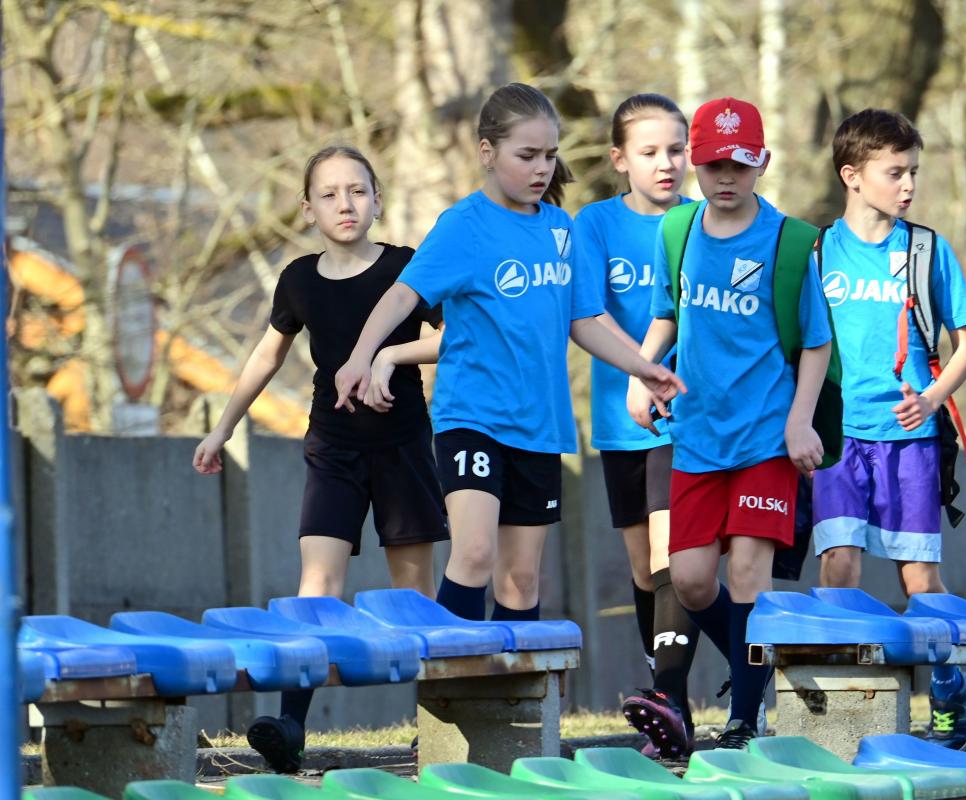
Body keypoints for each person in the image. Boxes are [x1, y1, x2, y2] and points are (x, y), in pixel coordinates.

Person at [336, 83, 685, 624]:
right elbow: (404, 294)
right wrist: (362, 355)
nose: (542, 168)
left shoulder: (560, 228)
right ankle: (451, 670)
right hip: (473, 419)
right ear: (487, 152)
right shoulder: (464, 225)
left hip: (541, 426)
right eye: (527, 155)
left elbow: (584, 320)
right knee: (475, 554)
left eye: (549, 155)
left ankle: (509, 682)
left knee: (521, 581)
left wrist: (644, 368)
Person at [192, 146, 448, 772]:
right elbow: (266, 355)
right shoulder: (299, 279)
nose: (345, 204)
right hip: (333, 447)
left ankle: (436, 728)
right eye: (329, 194)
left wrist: (392, 357)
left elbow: (452, 337)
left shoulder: (407, 266)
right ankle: (291, 726)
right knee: (318, 588)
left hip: (403, 445)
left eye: (357, 190)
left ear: (377, 199)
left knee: (414, 593)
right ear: (308, 209)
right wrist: (223, 428)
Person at [627, 97, 832, 752]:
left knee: (748, 572)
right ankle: (760, 666)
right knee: (689, 580)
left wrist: (799, 421)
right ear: (696, 163)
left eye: (740, 165)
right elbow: (667, 314)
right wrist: (641, 372)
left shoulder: (790, 243)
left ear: (761, 163)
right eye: (714, 164)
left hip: (765, 439)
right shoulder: (677, 231)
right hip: (696, 437)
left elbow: (817, 343)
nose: (726, 177)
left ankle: (744, 721)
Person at [811, 108, 966, 750]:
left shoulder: (926, 251)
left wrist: (932, 399)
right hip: (837, 438)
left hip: (909, 442)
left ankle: (949, 684)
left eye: (913, 172)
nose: (908, 184)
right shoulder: (816, 252)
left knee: (919, 581)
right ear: (851, 175)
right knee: (839, 564)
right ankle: (839, 706)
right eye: (895, 172)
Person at [573, 93, 701, 756]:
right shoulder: (595, 223)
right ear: (619, 159)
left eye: (677, 149)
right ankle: (666, 697)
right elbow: (588, 313)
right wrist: (636, 370)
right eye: (649, 152)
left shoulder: (703, 221)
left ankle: (671, 700)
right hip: (620, 420)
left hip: (688, 418)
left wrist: (658, 375)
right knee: (644, 571)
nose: (666, 163)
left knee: (669, 555)